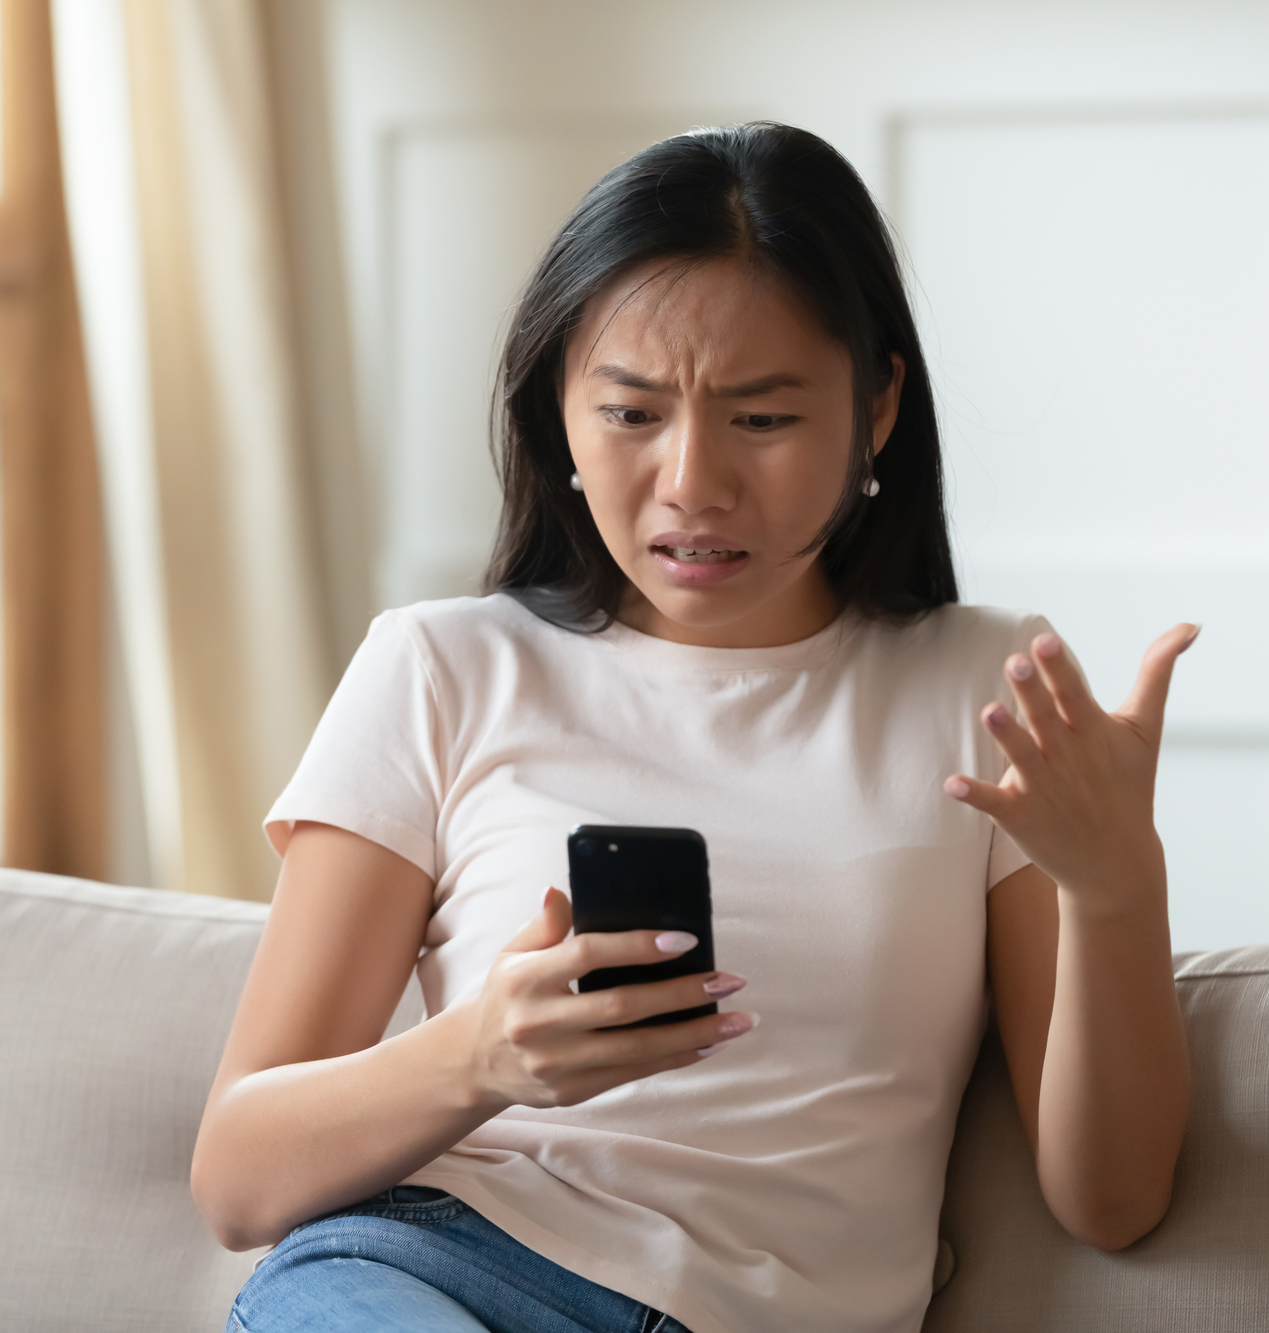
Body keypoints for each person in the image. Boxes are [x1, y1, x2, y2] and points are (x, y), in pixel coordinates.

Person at [193, 121, 1195, 1333]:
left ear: (875, 406)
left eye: (761, 421)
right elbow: (238, 1177)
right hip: (433, 1274)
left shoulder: (983, 684)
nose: (691, 483)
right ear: (557, 407)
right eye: (630, 414)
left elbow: (1113, 1199)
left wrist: (1114, 884)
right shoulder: (440, 667)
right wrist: (478, 1057)